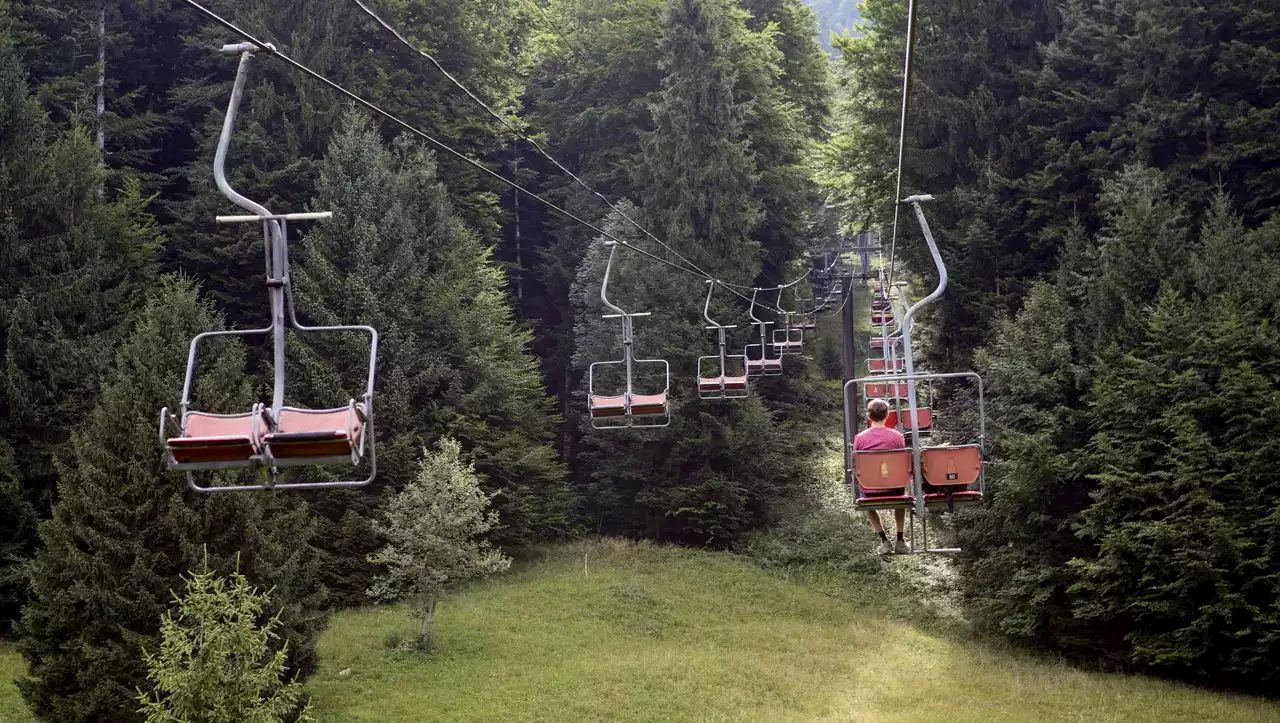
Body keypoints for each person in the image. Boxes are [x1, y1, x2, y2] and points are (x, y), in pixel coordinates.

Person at [854, 398, 911, 555]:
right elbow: (902, 461)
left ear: (869, 416)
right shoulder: (897, 437)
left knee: (867, 503)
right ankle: (900, 540)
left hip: (870, 489)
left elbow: (857, 463)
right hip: (894, 488)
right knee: (901, 499)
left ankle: (884, 541)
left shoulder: (860, 438)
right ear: (887, 415)